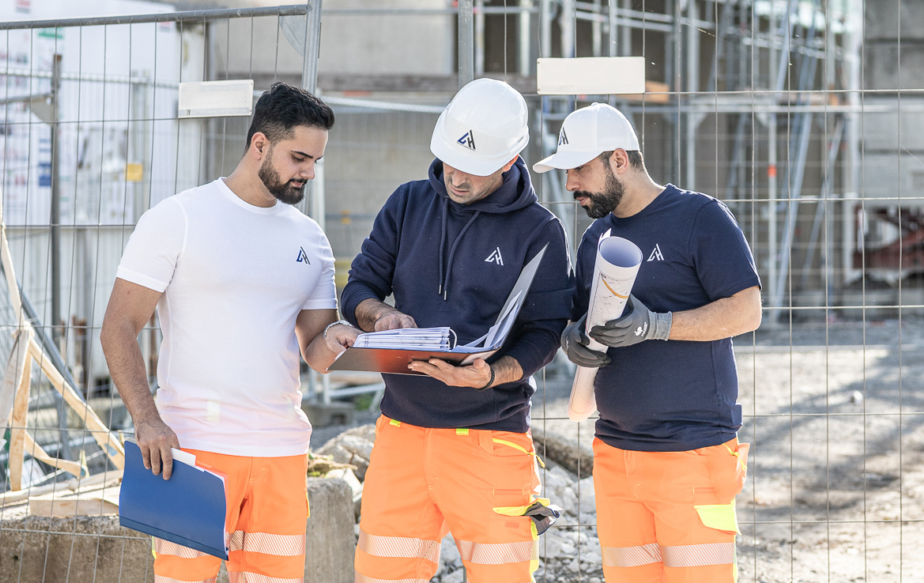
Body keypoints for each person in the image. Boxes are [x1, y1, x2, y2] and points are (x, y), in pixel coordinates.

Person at [101, 82, 358, 583]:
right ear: (259, 144)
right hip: (193, 451)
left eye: (314, 162)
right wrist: (147, 419)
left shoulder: (311, 239)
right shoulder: (178, 218)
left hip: (282, 453)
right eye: (298, 157)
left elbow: (317, 349)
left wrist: (348, 339)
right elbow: (118, 326)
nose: (307, 172)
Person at [341, 78, 572, 583]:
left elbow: (546, 332)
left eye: (474, 168)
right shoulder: (407, 204)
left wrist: (491, 375)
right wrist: (379, 315)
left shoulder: (539, 232)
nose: (457, 177)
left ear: (510, 163)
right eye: (450, 161)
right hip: (401, 433)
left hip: (490, 439)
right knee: (382, 573)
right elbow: (358, 287)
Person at [538, 103, 762, 583]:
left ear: (619, 160)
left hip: (692, 453)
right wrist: (572, 340)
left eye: (579, 169)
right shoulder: (596, 237)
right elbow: (583, 323)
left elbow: (746, 310)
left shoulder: (699, 217)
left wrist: (658, 325)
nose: (570, 184)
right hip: (616, 454)